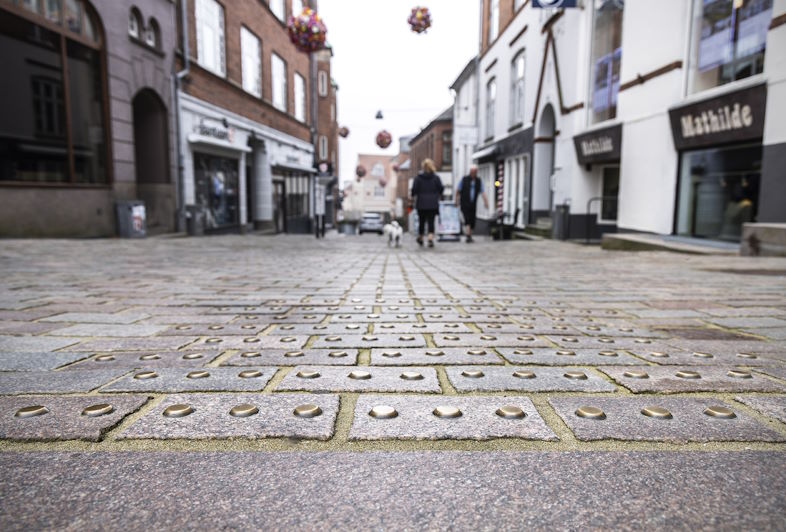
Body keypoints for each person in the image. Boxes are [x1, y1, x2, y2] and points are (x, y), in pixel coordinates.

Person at [410, 159, 444, 248]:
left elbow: (414, 190)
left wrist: (413, 196)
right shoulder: (436, 178)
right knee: (431, 221)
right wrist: (437, 194)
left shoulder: (418, 178)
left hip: (421, 203)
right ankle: (430, 238)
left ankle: (420, 237)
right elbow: (441, 188)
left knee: (421, 221)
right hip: (433, 203)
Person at [455, 165, 489, 243]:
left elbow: (482, 192)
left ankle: (469, 234)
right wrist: (456, 201)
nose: (473, 173)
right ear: (470, 172)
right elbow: (458, 190)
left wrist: (486, 202)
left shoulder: (478, 181)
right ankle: (468, 235)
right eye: (472, 171)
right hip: (464, 203)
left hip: (473, 204)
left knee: (472, 219)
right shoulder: (464, 179)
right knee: (467, 218)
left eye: (475, 172)